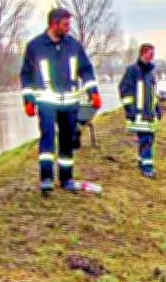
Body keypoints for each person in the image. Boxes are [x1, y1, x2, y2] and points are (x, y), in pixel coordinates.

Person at [20, 7, 101, 196]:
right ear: (53, 24)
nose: (68, 28)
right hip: (47, 102)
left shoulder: (73, 45)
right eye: (65, 24)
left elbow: (86, 70)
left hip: (70, 103)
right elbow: (26, 75)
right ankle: (46, 179)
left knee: (68, 140)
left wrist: (93, 92)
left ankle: (67, 179)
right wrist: (28, 100)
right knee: (47, 137)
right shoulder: (35, 47)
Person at [119, 43, 162, 178]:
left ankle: (141, 161)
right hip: (138, 115)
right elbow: (124, 89)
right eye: (150, 53)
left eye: (153, 54)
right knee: (146, 140)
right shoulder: (133, 70)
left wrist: (158, 108)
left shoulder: (150, 74)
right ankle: (147, 168)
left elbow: (153, 94)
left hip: (150, 115)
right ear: (143, 53)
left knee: (149, 139)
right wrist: (130, 110)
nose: (152, 56)